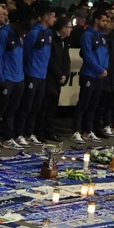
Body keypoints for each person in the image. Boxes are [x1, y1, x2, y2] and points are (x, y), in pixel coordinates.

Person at [18, 3, 55, 146]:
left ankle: (29, 132)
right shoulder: (34, 33)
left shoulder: (49, 34)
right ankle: (19, 133)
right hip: (32, 74)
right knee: (26, 105)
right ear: (45, 17)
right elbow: (26, 53)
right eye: (52, 16)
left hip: (42, 76)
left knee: (36, 106)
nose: (54, 19)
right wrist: (28, 69)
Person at [71, 9, 109, 142]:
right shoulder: (87, 35)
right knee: (83, 103)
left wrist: (104, 68)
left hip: (99, 75)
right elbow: (87, 55)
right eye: (103, 20)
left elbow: (106, 54)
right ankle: (76, 131)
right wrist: (99, 69)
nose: (105, 23)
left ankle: (88, 130)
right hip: (89, 74)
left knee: (94, 104)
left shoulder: (102, 36)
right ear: (97, 20)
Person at [0, 10, 26, 148]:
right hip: (6, 78)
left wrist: (21, 75)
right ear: (16, 24)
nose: (24, 33)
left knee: (12, 109)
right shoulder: (3, 34)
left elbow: (20, 57)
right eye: (23, 30)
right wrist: (1, 77)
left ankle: (7, 136)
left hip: (18, 78)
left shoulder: (21, 36)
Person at [39, 12, 71, 142]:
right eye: (69, 27)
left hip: (59, 79)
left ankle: (50, 130)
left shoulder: (65, 41)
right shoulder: (52, 38)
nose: (71, 30)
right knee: (45, 107)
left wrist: (65, 75)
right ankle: (41, 131)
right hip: (50, 78)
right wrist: (59, 74)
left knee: (53, 107)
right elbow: (50, 59)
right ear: (63, 28)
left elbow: (66, 60)